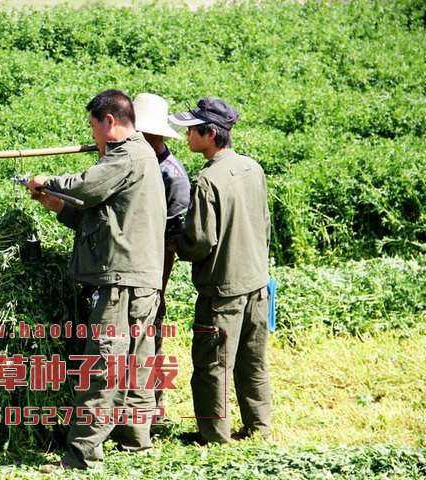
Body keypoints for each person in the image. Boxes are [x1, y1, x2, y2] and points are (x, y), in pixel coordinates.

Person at [28, 89, 166, 470]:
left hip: (121, 281)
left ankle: (82, 453)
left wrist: (47, 180)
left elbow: (87, 187)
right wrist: (54, 203)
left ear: (109, 121)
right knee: (137, 361)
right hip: (138, 277)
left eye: (94, 128)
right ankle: (135, 438)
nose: (93, 138)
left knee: (103, 362)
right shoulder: (140, 158)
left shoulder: (127, 155)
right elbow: (101, 216)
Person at [169, 97, 272, 444]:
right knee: (252, 360)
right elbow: (264, 224)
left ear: (210, 134)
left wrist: (174, 243)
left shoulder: (208, 180)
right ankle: (259, 427)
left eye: (191, 131)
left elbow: (200, 241)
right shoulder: (252, 168)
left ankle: (214, 437)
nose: (186, 136)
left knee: (213, 366)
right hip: (257, 282)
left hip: (223, 289)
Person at [132, 92, 191, 408]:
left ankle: (152, 403)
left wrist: (159, 285)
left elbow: (171, 238)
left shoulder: (171, 175)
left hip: (153, 263)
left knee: (150, 330)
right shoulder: (130, 159)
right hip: (131, 262)